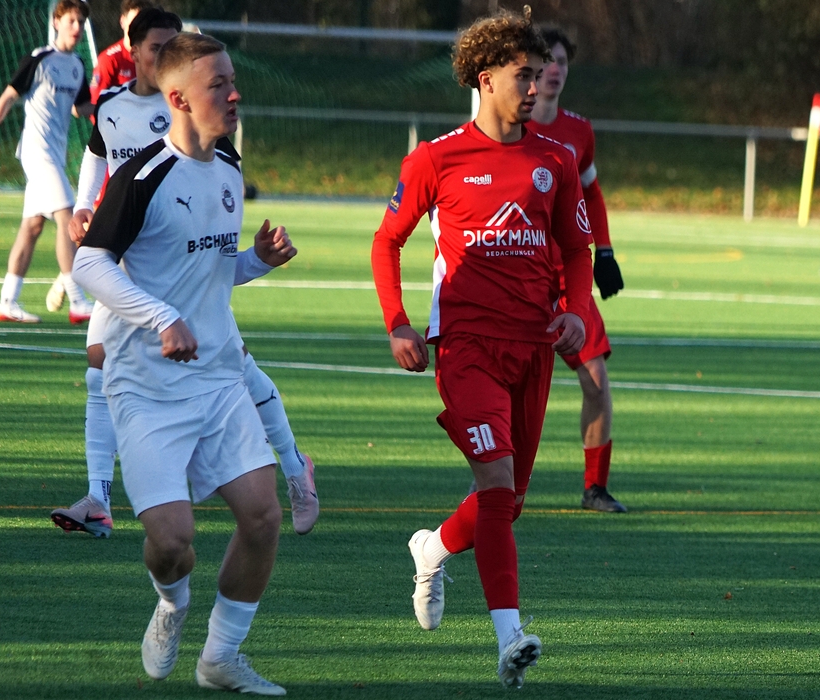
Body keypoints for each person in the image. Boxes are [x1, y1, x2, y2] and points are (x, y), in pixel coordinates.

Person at [371, 7, 593, 688]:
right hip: (466, 348)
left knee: (508, 500)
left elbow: (576, 250)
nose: (537, 84)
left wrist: (576, 312)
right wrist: (398, 322)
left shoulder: (556, 160)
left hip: (534, 348)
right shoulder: (436, 158)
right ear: (485, 78)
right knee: (496, 486)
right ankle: (509, 638)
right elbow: (387, 241)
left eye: (539, 73)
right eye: (524, 74)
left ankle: (433, 547)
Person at [72, 32, 292, 694]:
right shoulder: (142, 177)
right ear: (179, 100)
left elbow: (210, 272)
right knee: (172, 544)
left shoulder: (228, 165)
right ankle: (172, 604)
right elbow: (89, 264)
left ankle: (221, 657)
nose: (234, 93)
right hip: (145, 386)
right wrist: (162, 318)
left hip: (218, 379)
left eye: (232, 80)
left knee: (263, 516)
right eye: (218, 84)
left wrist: (256, 261)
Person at [51, 8, 318, 541]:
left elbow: (213, 261)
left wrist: (257, 260)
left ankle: (293, 467)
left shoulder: (221, 154)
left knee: (239, 368)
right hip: (128, 268)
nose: (168, 53)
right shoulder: (114, 111)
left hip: (183, 295)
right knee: (100, 365)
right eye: (157, 47)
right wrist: (85, 208)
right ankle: (99, 496)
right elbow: (97, 163)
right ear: (135, 53)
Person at [526, 26, 626, 512]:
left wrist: (603, 252)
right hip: (519, 271)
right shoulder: (508, 129)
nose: (555, 70)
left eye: (563, 61)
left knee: (596, 380)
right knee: (510, 386)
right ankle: (493, 483)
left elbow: (592, 192)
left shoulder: (579, 131)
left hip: (568, 275)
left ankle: (594, 488)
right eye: (547, 61)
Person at [46, 0, 158, 313]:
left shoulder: (179, 97)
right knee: (100, 237)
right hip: (116, 166)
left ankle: (71, 279)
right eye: (133, 20)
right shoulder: (110, 61)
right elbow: (96, 112)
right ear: (124, 23)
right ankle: (73, 280)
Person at [0, 0, 94, 324]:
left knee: (33, 226)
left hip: (55, 155)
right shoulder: (39, 59)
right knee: (67, 218)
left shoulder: (77, 64)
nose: (76, 27)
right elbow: (7, 98)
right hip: (37, 154)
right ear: (56, 22)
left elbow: (82, 108)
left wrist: (112, 105)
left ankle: (7, 301)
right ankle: (78, 302)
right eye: (71, 21)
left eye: (80, 22)